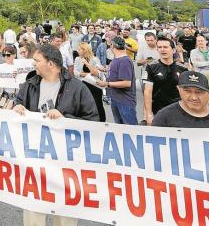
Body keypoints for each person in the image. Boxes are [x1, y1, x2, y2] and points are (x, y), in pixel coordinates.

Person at [13, 44, 98, 226]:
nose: (33, 64)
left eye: (37, 61)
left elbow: (93, 122)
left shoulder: (77, 88)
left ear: (50, 63)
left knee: (64, 214)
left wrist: (65, 118)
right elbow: (17, 105)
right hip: (35, 159)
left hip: (65, 162)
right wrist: (17, 107)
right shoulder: (30, 85)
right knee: (33, 211)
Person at [143, 36, 187, 125]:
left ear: (173, 50)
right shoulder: (151, 67)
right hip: (157, 111)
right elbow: (147, 92)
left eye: (165, 47)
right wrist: (148, 114)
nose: (162, 50)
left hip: (177, 110)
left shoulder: (182, 68)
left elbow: (185, 91)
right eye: (159, 47)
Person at [97, 36, 137, 125]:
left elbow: (126, 83)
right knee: (119, 129)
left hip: (125, 101)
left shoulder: (125, 61)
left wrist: (107, 83)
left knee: (130, 130)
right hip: (115, 98)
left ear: (112, 46)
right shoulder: (116, 59)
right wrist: (106, 69)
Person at [73, 42, 106, 122]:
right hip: (83, 84)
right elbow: (75, 73)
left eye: (80, 49)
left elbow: (96, 73)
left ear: (85, 50)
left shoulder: (95, 59)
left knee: (97, 103)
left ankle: (101, 121)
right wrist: (87, 74)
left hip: (94, 85)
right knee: (85, 103)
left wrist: (86, 63)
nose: (78, 51)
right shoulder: (77, 59)